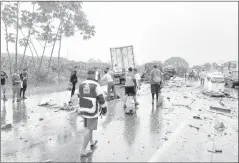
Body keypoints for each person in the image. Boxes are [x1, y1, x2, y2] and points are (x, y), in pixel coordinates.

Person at [78, 70, 107, 157]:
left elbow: (79, 95)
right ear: (94, 75)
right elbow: (101, 99)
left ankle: (92, 142)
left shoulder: (82, 84)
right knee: (89, 129)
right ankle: (83, 150)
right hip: (92, 110)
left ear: (87, 75)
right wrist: (104, 109)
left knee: (88, 127)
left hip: (83, 108)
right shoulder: (96, 85)